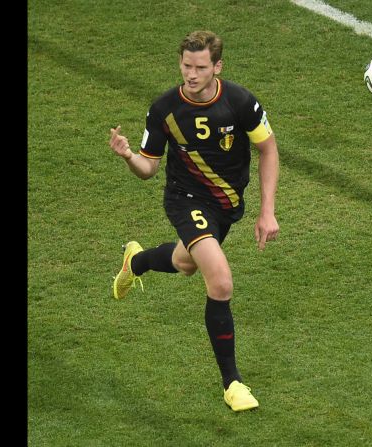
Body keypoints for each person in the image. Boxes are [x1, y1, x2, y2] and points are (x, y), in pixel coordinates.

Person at [107, 30, 279, 412]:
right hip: (185, 200)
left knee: (186, 262)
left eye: (200, 67)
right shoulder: (164, 109)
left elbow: (268, 149)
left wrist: (267, 211)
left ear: (217, 66)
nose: (191, 74)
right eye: (187, 65)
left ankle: (134, 262)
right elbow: (149, 168)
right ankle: (232, 383)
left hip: (226, 205)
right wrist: (128, 156)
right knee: (219, 280)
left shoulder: (240, 102)